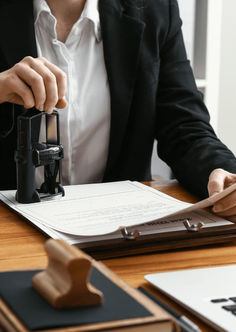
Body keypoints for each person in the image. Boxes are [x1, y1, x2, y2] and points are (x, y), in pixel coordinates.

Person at [0, 0, 236, 221]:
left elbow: (185, 127)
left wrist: (223, 173)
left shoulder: (155, 7)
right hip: (9, 224)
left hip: (117, 225)